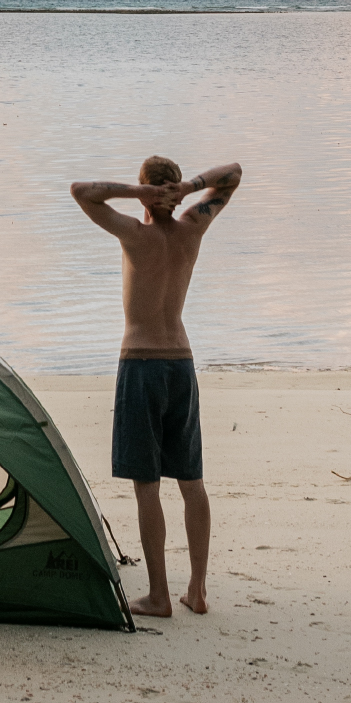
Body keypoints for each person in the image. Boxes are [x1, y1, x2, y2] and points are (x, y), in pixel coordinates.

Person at [68, 156, 243, 618]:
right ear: (174, 190)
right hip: (181, 364)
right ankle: (198, 591)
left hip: (142, 365)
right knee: (191, 481)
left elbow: (80, 189)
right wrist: (192, 186)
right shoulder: (192, 229)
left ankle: (161, 595)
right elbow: (233, 173)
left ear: (148, 191)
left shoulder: (134, 234)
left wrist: (134, 192)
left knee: (147, 484)